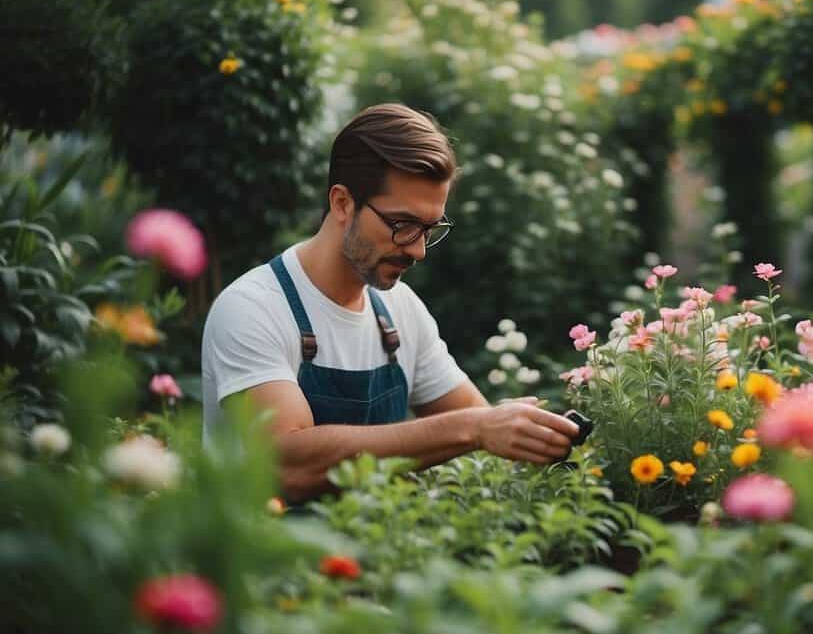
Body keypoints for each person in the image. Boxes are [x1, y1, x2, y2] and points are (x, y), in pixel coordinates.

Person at [201, 103, 578, 502]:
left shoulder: (399, 311)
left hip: (381, 558)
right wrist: (477, 428)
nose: (418, 251)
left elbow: (474, 421)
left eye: (430, 229)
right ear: (342, 203)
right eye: (403, 226)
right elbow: (287, 467)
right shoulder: (253, 308)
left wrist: (539, 432)